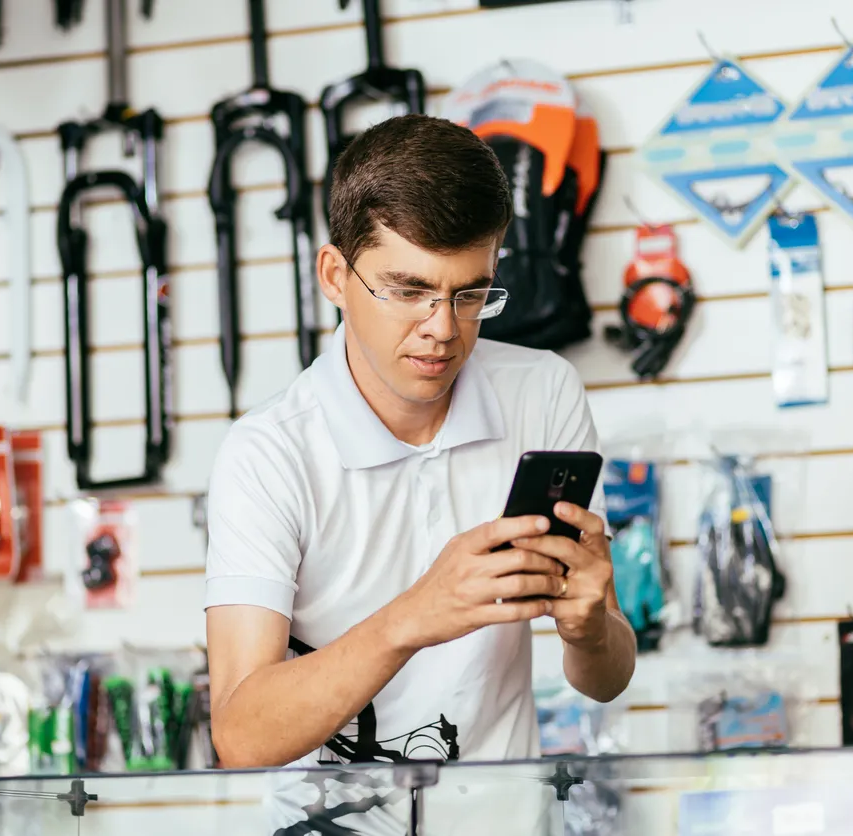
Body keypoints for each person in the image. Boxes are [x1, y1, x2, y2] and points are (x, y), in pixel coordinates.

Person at [203, 113, 636, 835]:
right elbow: (242, 734)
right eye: (409, 291)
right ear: (336, 276)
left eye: (472, 293)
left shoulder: (545, 393)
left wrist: (590, 627)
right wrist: (415, 616)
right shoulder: (267, 454)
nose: (443, 327)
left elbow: (605, 675)